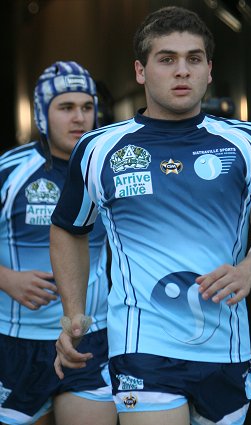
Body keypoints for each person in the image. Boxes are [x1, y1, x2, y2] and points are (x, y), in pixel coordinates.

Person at [50, 7, 251, 425]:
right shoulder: (98, 149)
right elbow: (69, 229)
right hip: (142, 345)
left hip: (227, 348)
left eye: (193, 59)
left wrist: (249, 270)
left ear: (209, 70)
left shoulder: (246, 141)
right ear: (141, 71)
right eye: (167, 59)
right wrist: (73, 312)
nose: (182, 71)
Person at [0, 61, 117, 425]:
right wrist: (5, 278)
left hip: (88, 338)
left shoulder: (110, 168)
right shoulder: (9, 169)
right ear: (41, 114)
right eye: (66, 107)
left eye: (86, 107)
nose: (79, 117)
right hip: (14, 342)